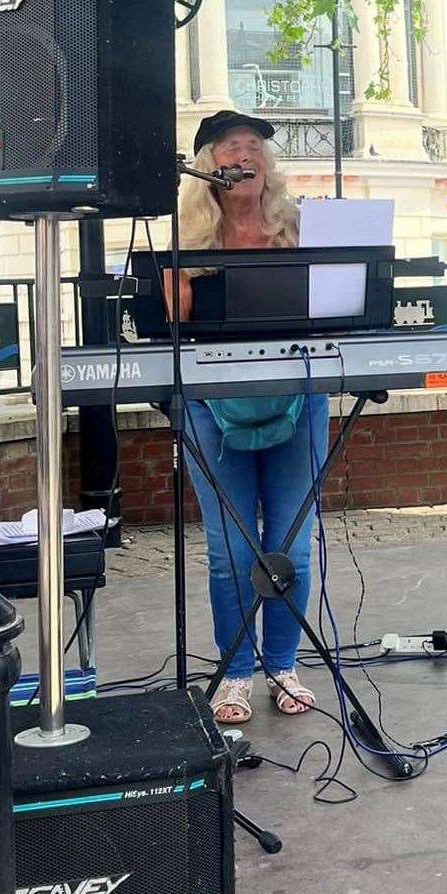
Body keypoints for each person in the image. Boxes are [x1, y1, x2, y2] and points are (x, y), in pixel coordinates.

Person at [166, 110, 324, 725]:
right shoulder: (186, 237)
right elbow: (173, 324)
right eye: (233, 146)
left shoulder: (301, 228)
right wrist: (178, 268)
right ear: (210, 167)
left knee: (290, 546)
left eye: (255, 146)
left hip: (296, 398)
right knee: (232, 550)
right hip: (211, 405)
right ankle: (234, 672)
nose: (247, 153)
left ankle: (283, 665)